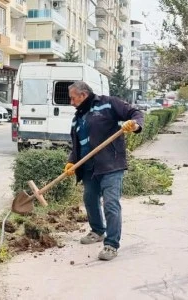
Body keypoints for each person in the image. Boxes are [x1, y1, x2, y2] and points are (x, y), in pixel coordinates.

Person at [64, 81, 144, 261]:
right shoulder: (77, 118)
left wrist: (134, 124)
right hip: (88, 167)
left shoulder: (108, 103)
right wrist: (71, 162)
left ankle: (111, 244)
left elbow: (135, 113)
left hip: (110, 165)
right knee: (89, 199)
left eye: (72, 98)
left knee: (110, 204)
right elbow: (77, 145)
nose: (71, 102)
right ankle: (98, 230)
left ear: (83, 95)